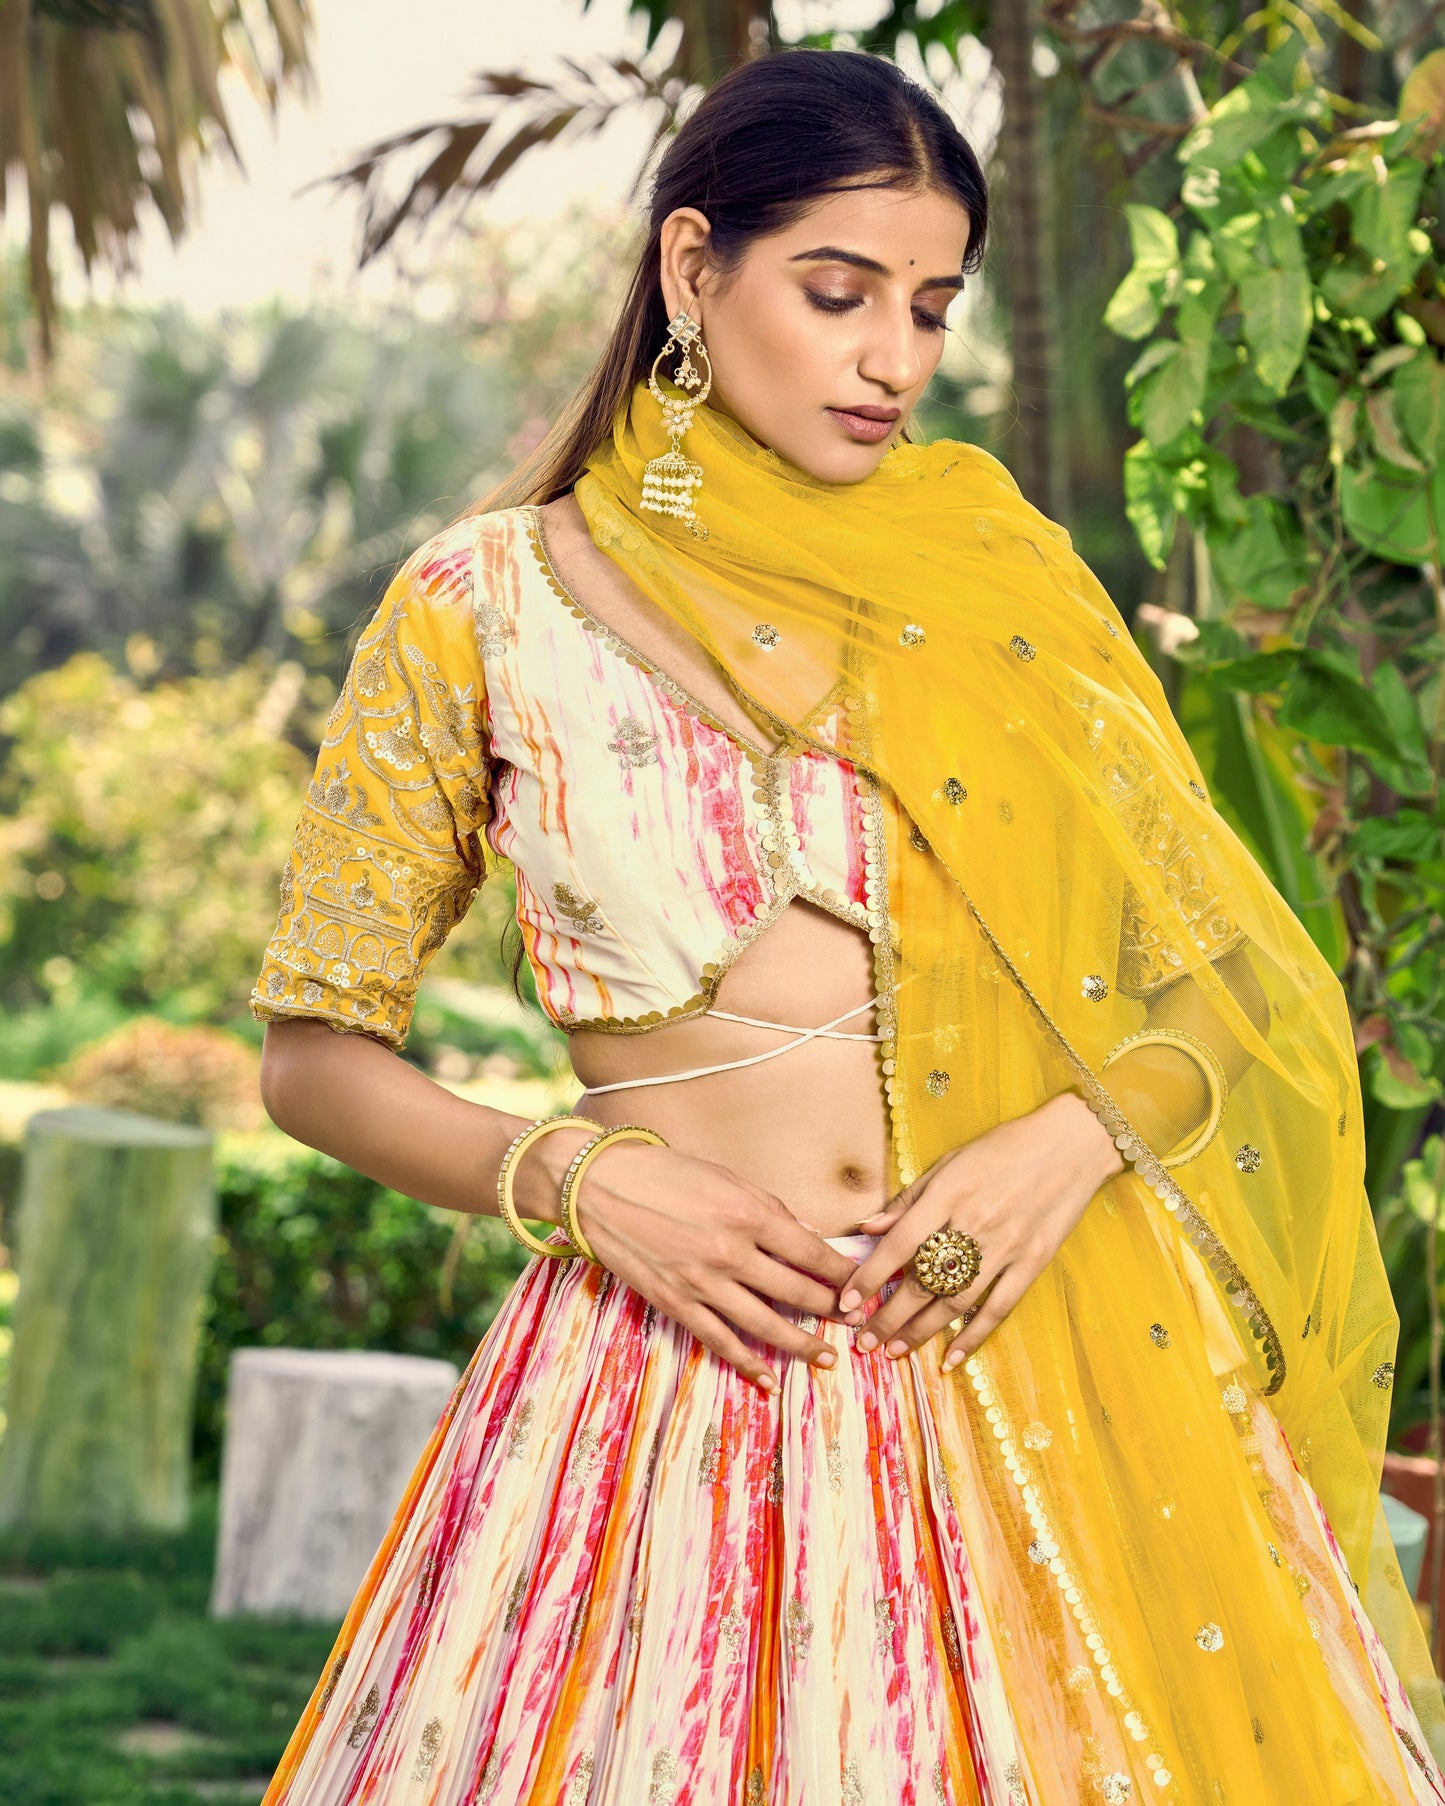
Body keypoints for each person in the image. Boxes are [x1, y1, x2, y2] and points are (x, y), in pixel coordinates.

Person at [249, 47, 1445, 1806]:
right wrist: (581, 1179)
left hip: (1029, 1376)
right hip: (656, 1387)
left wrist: (1064, 1142)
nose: (894, 358)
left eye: (930, 307)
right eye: (838, 293)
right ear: (691, 267)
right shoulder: (482, 608)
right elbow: (311, 1060)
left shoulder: (988, 589)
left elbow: (1223, 999)